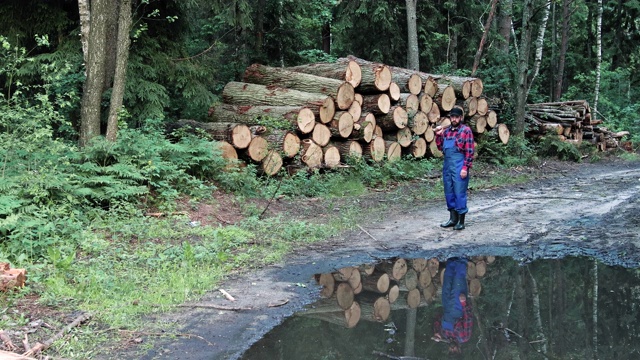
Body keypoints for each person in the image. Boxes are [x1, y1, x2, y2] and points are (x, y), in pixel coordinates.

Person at [434, 106, 475, 230]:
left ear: (461, 118)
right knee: (449, 192)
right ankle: (452, 219)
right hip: (447, 166)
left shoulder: (466, 130)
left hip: (459, 166)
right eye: (452, 117)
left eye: (457, 117)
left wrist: (465, 168)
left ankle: (461, 221)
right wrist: (438, 135)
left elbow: (470, 151)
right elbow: (441, 148)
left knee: (459, 192)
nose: (454, 119)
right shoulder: (446, 131)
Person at [432, 258, 473, 354]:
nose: (452, 348)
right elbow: (469, 318)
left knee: (447, 280)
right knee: (458, 279)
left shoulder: (444, 334)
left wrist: (437, 332)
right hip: (458, 306)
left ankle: (451, 259)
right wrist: (464, 303)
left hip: (446, 304)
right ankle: (461, 258)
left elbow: (438, 319)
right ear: (459, 349)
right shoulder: (464, 337)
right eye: (455, 350)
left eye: (451, 350)